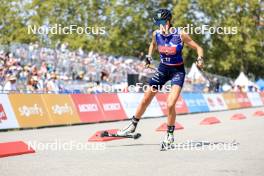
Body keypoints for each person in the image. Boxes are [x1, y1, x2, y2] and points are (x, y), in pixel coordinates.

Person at [117, 9, 204, 147]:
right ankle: (132, 126)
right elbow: (152, 44)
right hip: (163, 69)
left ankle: (169, 135)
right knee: (146, 98)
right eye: (157, 22)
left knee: (170, 104)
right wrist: (149, 57)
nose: (159, 25)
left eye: (161, 22)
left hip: (177, 71)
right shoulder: (156, 34)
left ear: (168, 22)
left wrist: (200, 59)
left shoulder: (180, 34)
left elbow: (198, 47)